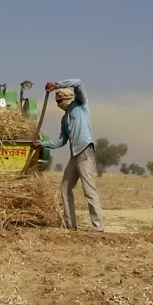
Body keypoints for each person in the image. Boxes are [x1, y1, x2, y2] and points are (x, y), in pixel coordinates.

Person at [32, 79, 104, 232]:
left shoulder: (80, 105)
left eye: (61, 98)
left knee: (89, 190)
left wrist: (57, 85)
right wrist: (42, 144)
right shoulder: (64, 119)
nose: (59, 102)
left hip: (85, 152)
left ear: (68, 97)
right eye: (57, 100)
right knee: (65, 187)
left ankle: (98, 226)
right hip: (74, 155)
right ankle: (71, 224)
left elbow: (78, 82)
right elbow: (61, 141)